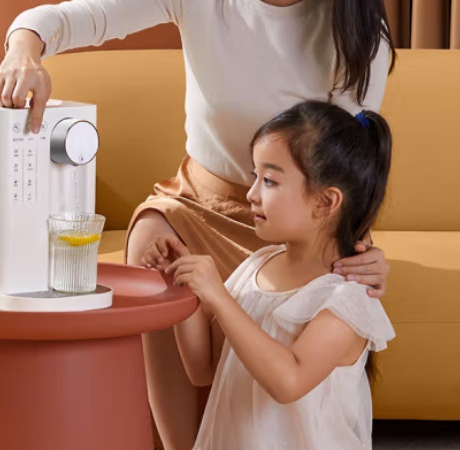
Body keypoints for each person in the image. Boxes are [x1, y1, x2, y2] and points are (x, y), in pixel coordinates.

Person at [0, 0, 395, 447]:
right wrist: (25, 49)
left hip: (296, 231)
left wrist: (362, 250)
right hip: (196, 208)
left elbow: (345, 169)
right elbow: (76, 16)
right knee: (149, 240)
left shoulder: (357, 35)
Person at [142, 100, 395, 450]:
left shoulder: (346, 300)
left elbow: (289, 381)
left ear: (325, 202)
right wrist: (182, 283)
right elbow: (203, 369)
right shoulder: (257, 266)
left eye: (270, 181)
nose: (251, 194)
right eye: (255, 177)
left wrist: (219, 297)